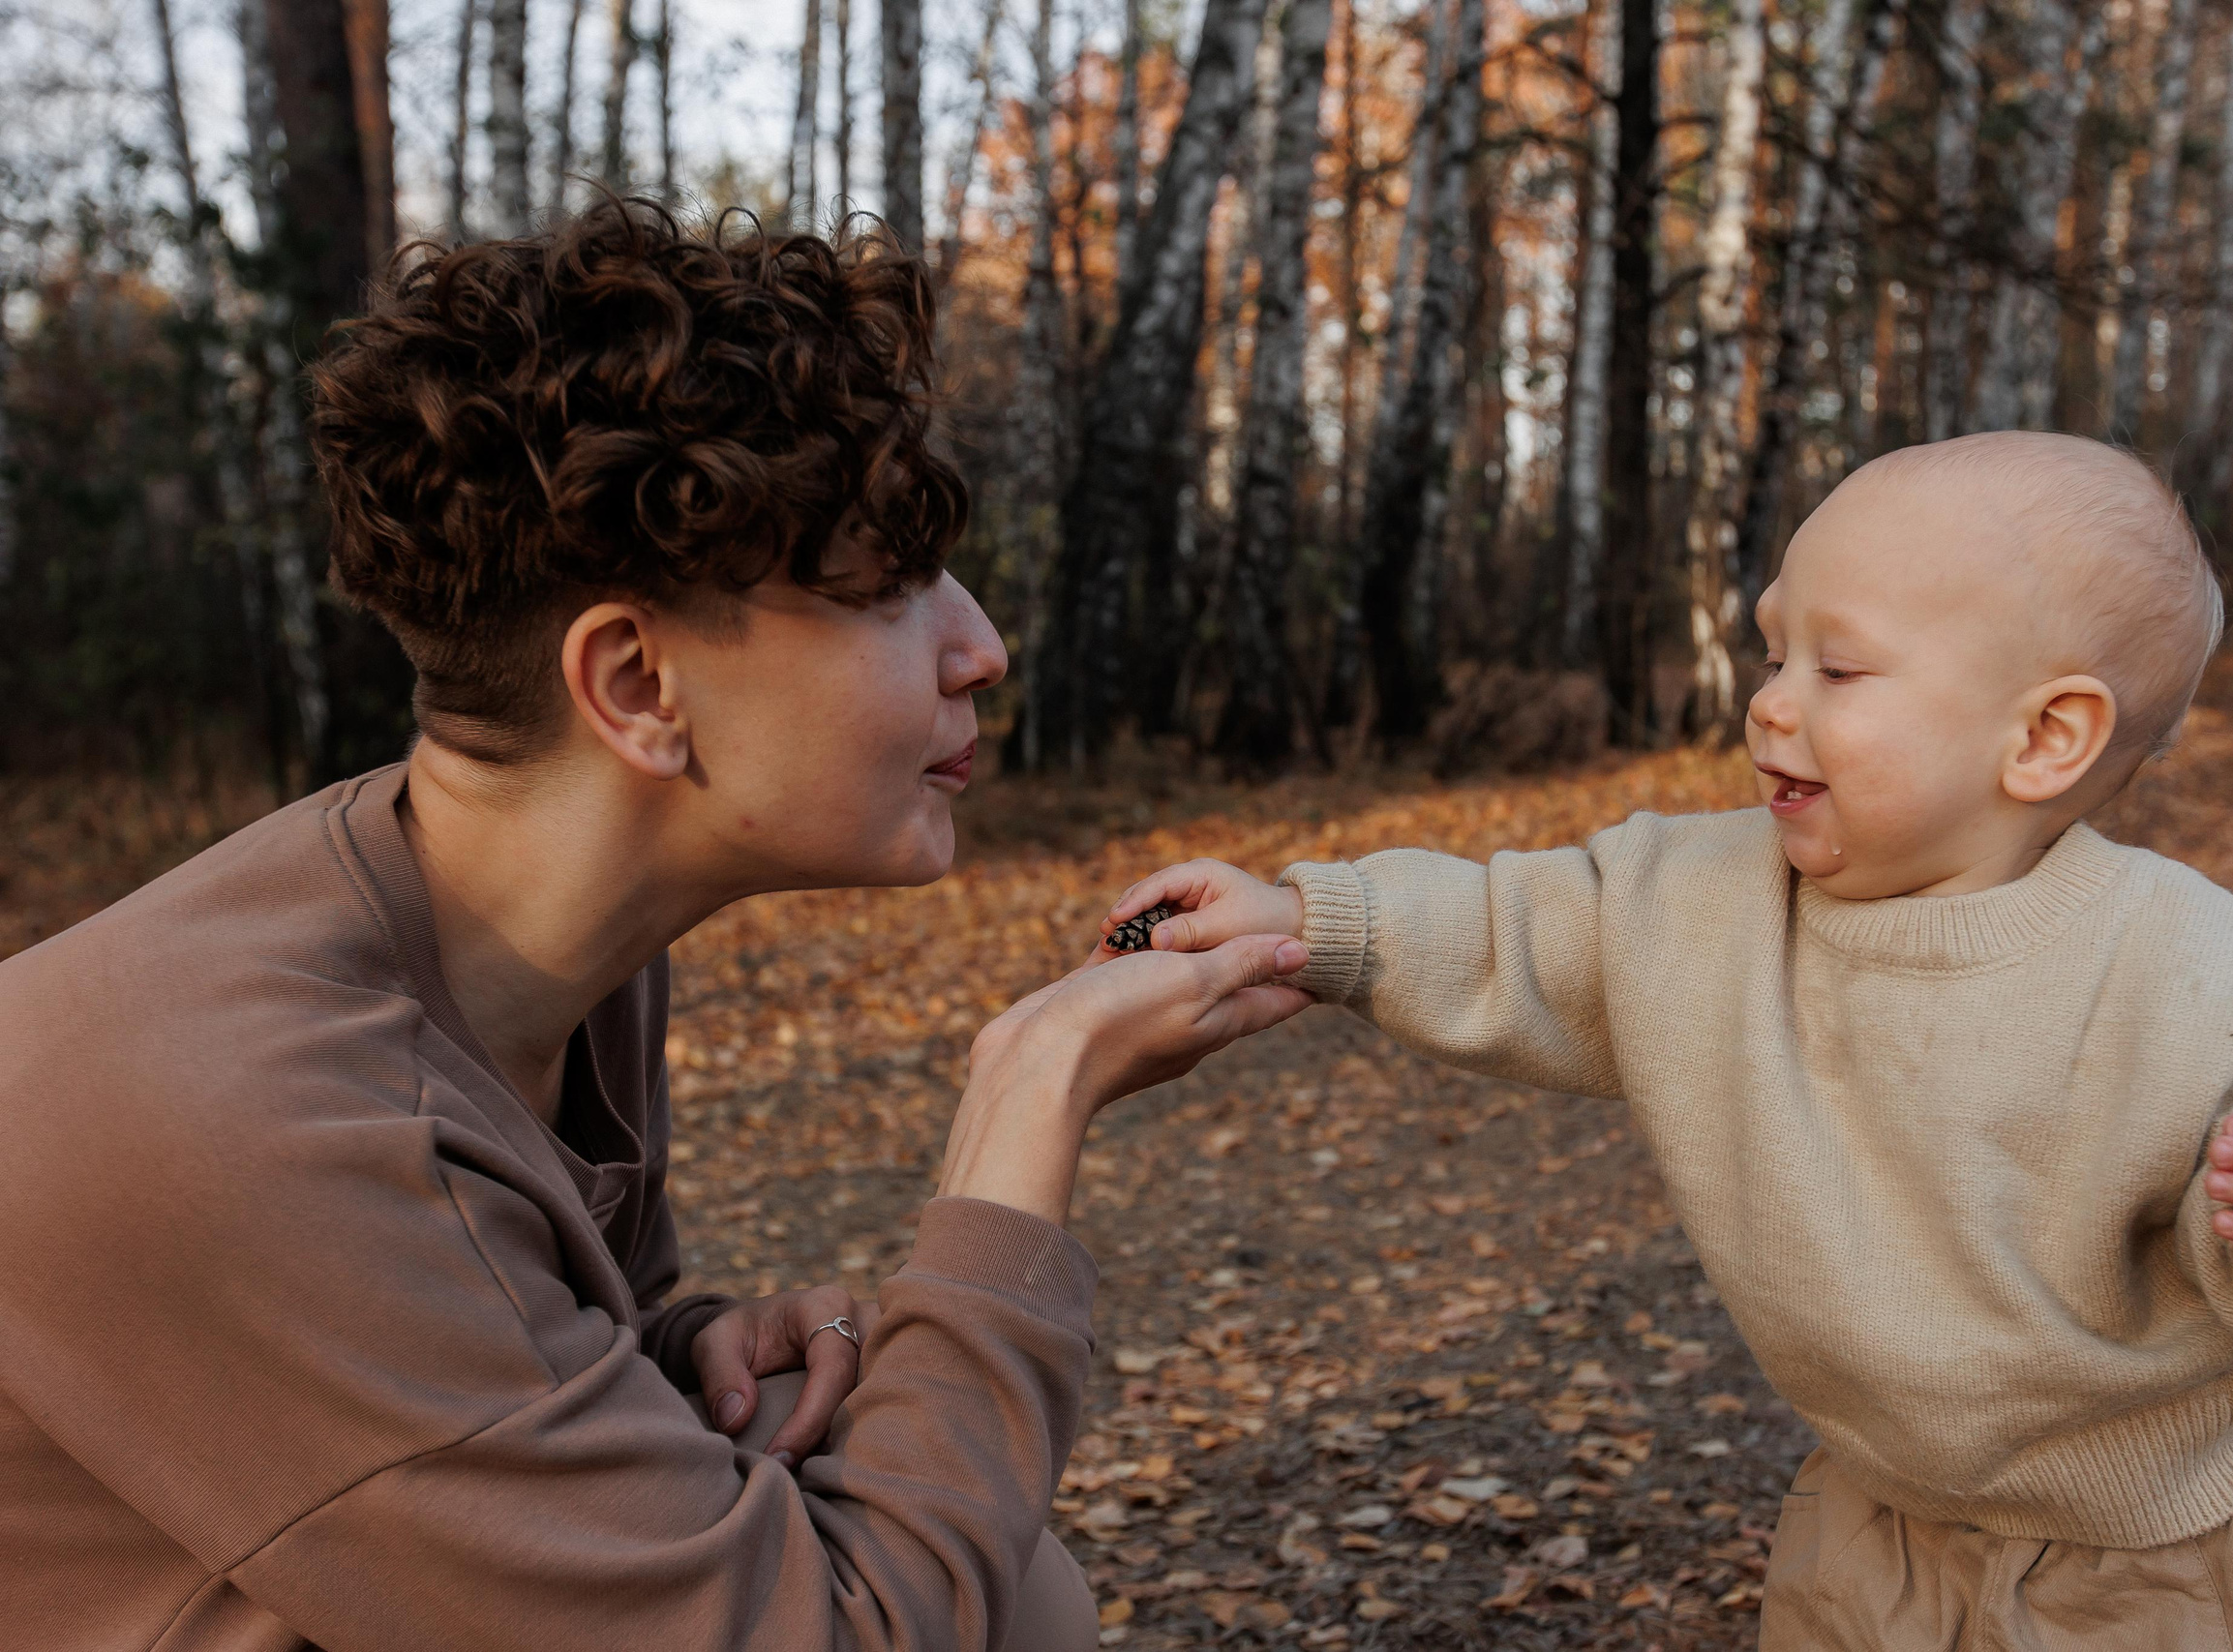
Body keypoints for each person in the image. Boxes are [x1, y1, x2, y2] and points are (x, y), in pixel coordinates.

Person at [0, 199, 1313, 1650]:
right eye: (889, 586)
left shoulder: (525, 938)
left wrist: (685, 1355)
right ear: (635, 685)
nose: (979, 645)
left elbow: (516, 1322)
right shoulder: (254, 1110)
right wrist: (1031, 1092)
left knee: (1007, 1586)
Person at [1107, 431, 2233, 1650]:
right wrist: (1308, 918)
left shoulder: (2186, 969)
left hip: (2196, 1557)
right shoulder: (1700, 903)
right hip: (1881, 1537)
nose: (1769, 699)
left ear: (2046, 737)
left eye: (1839, 665)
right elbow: (1513, 928)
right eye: (1774, 650)